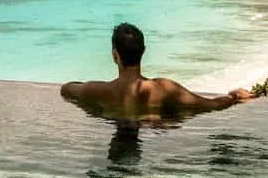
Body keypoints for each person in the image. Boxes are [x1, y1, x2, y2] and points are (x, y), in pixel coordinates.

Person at [61, 23, 255, 119]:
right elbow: (210, 105)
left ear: (114, 55)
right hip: (152, 150)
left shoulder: (99, 91)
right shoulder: (164, 89)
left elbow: (67, 89)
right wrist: (234, 97)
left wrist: (92, 107)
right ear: (143, 51)